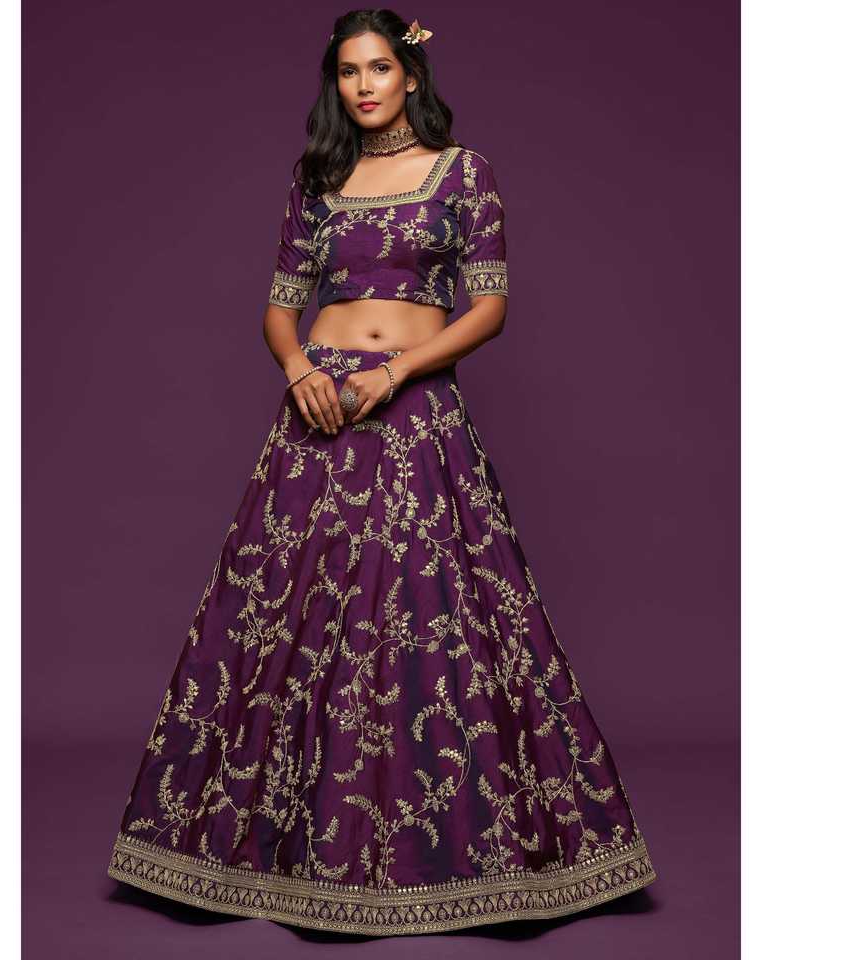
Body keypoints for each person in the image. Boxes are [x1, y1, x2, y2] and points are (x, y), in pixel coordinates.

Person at [106, 9, 657, 936]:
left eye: (379, 69)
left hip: (412, 410)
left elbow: (489, 308)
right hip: (318, 410)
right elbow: (280, 307)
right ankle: (269, 857)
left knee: (427, 619)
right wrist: (299, 372)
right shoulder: (317, 180)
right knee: (286, 621)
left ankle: (437, 857)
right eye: (348, 72)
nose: (364, 86)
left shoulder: (463, 173)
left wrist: (394, 374)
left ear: (411, 76)